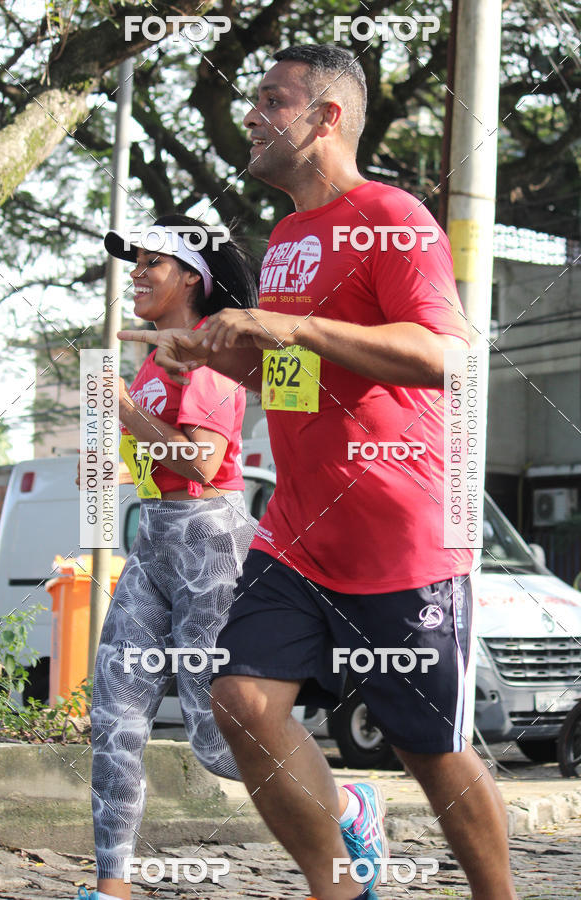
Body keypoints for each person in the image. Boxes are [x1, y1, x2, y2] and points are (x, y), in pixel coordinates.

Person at [119, 45, 516, 900]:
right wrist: (216, 361)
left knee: (429, 749)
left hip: (397, 537)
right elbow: (299, 382)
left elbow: (446, 356)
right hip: (297, 534)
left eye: (272, 100)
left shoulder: (393, 215)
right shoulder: (291, 238)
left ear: (326, 117)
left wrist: (288, 330)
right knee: (240, 703)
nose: (252, 115)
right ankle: (338, 883)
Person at [79, 214, 259, 900]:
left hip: (209, 542)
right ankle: (112, 885)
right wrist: (121, 472)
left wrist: (124, 411)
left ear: (192, 277)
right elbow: (170, 459)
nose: (136, 273)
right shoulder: (155, 360)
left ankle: (344, 806)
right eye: (135, 263)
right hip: (155, 537)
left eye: (152, 261)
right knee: (115, 712)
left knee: (215, 744)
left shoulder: (203, 354)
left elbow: (206, 462)